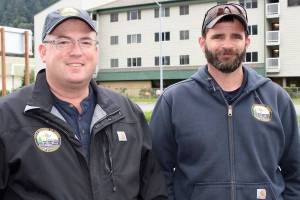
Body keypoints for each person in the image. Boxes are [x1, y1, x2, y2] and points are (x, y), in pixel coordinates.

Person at [0, 7, 167, 200]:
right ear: (43, 52)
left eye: (86, 42)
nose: (76, 51)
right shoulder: (7, 117)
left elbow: (154, 189)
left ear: (96, 51)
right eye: (63, 41)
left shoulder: (128, 113)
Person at [150, 3, 300, 200]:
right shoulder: (173, 101)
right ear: (202, 42)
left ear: (247, 41)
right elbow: (158, 175)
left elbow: (295, 172)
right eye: (218, 36)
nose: (227, 45)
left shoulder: (277, 99)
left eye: (236, 36)